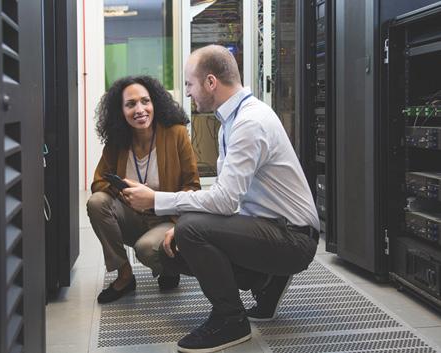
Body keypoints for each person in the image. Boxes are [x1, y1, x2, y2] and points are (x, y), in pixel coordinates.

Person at [122, 45, 320, 353]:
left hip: (293, 238)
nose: (187, 93)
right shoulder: (232, 120)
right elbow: (234, 196)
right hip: (271, 227)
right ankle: (267, 281)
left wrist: (157, 201)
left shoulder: (249, 123)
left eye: (189, 84)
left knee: (190, 230)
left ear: (211, 82)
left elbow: (226, 201)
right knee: (185, 236)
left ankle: (231, 320)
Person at [87, 75, 200, 304]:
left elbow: (192, 186)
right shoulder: (117, 141)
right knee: (97, 202)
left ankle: (170, 264)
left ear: (155, 103)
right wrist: (127, 193)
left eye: (145, 101)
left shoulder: (176, 133)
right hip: (134, 218)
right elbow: (98, 183)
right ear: (121, 111)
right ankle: (125, 275)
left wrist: (155, 198)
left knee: (146, 249)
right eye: (130, 104)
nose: (140, 109)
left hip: (168, 218)